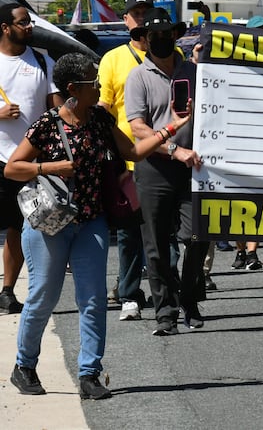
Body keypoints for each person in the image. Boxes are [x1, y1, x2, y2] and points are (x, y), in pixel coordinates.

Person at [6, 52, 191, 398]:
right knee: (43, 296)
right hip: (50, 224)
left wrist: (171, 128)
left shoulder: (102, 120)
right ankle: (25, 365)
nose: (100, 85)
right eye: (94, 81)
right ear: (74, 88)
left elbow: (134, 152)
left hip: (91, 222)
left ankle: (90, 373)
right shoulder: (47, 125)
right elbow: (12, 168)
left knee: (93, 300)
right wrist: (50, 167)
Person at [125, 7, 209, 336]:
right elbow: (138, 129)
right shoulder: (139, 76)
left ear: (175, 36)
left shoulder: (194, 71)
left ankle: (188, 298)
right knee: (156, 245)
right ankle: (165, 311)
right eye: (153, 36)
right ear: (144, 40)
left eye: (166, 34)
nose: (160, 40)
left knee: (197, 235)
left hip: (194, 169)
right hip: (155, 168)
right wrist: (175, 149)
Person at [0, 3, 61, 314]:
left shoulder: (41, 60)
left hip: (31, 160)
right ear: (5, 28)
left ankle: (8, 290)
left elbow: (56, 107)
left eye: (29, 22)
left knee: (22, 226)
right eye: (23, 23)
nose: (29, 27)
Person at [97, 0, 154, 321]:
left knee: (165, 233)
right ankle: (129, 293)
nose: (142, 18)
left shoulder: (172, 54)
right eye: (136, 14)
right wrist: (110, 160)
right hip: (128, 161)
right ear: (126, 20)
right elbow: (104, 109)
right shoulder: (113, 59)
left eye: (147, 12)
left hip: (165, 157)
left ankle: (167, 291)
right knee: (130, 233)